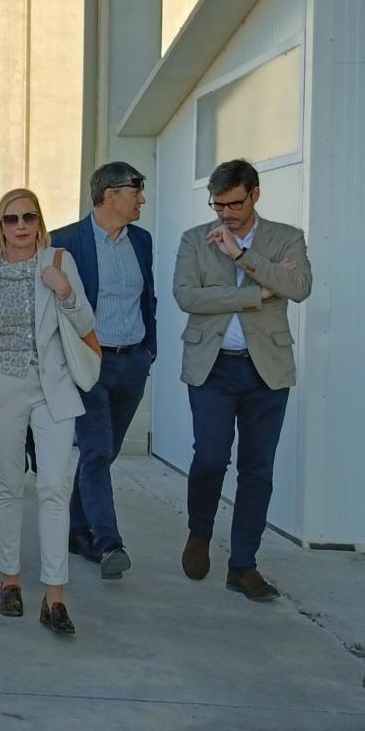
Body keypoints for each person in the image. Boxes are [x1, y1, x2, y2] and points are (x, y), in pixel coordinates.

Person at [0, 188, 94, 637]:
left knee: (55, 485)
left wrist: (67, 292)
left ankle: (55, 595)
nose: (20, 226)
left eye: (28, 217)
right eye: (11, 219)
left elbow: (85, 324)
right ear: (0, 225)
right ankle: (10, 579)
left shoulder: (58, 262)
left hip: (51, 387)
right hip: (1, 385)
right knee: (8, 484)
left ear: (39, 222)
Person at [174, 158, 311, 601]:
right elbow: (187, 296)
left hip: (266, 368)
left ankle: (243, 565)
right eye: (218, 205)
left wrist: (243, 257)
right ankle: (200, 532)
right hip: (211, 366)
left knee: (258, 469)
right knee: (211, 457)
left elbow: (299, 285)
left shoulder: (286, 237)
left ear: (255, 194)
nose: (226, 213)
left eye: (234, 203)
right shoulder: (195, 240)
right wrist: (256, 292)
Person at [49, 162, 156, 578]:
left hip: (132, 362)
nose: (141, 200)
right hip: (89, 362)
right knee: (95, 450)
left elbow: (149, 298)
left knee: (105, 453)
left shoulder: (142, 241)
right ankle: (108, 542)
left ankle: (77, 530)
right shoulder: (67, 242)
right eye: (136, 191)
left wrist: (150, 350)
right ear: (109, 196)